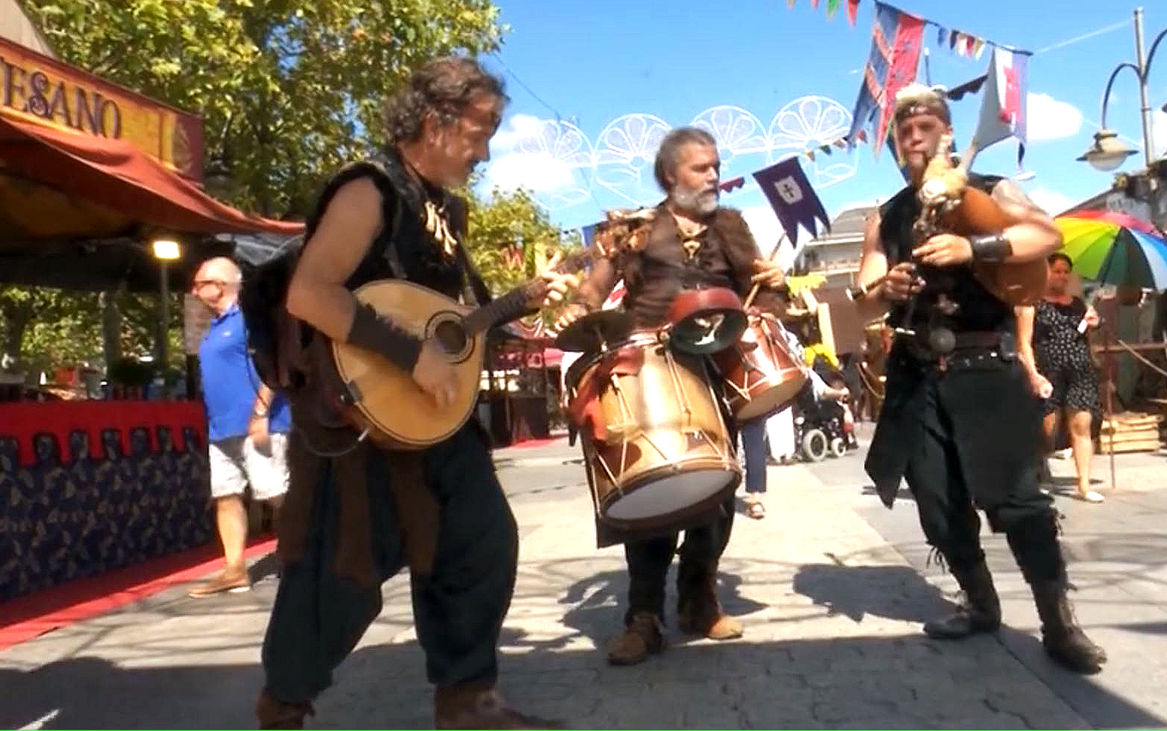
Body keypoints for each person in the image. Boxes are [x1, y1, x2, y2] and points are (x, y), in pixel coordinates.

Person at [253, 57, 577, 729]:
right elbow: (309, 293)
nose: (485, 152)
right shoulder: (368, 190)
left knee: (482, 540)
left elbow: (442, 322)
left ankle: (467, 702)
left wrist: (517, 307)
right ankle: (282, 704)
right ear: (435, 122)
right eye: (481, 132)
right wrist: (408, 354)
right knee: (339, 577)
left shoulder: (445, 211)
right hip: (358, 418)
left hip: (431, 418)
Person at [852, 84, 1107, 674]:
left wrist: (975, 247)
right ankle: (981, 603)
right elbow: (863, 295)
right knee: (938, 506)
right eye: (903, 134)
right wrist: (883, 288)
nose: (913, 141)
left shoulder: (991, 189)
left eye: (924, 130)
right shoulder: (886, 216)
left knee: (1019, 501)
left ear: (947, 135)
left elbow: (1045, 235)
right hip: (916, 374)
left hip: (986, 367)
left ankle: (1059, 623)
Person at [557, 126, 787, 666]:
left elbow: (763, 290)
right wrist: (580, 306)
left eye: (716, 166)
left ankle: (697, 599)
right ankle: (643, 617)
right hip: (652, 369)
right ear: (669, 175)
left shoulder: (732, 225)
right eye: (701, 168)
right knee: (650, 489)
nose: (714, 176)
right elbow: (595, 287)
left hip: (718, 367)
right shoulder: (633, 226)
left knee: (718, 496)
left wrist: (775, 286)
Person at [190, 256, 291, 598]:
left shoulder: (250, 317)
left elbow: (276, 362)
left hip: (260, 423)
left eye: (200, 283)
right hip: (222, 429)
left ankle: (304, 552)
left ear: (220, 286)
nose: (194, 291)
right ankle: (234, 569)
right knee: (226, 495)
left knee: (275, 493)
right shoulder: (215, 327)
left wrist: (261, 412)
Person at [1016, 253, 1104, 503]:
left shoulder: (1078, 304)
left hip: (1080, 371)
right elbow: (1024, 342)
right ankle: (1038, 472)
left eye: (1066, 272)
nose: (1062, 276)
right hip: (1048, 373)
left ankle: (1083, 484)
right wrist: (1032, 374)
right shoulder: (1032, 303)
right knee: (1047, 429)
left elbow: (1088, 337)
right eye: (1057, 271)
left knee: (1082, 425)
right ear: (1045, 272)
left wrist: (1094, 323)